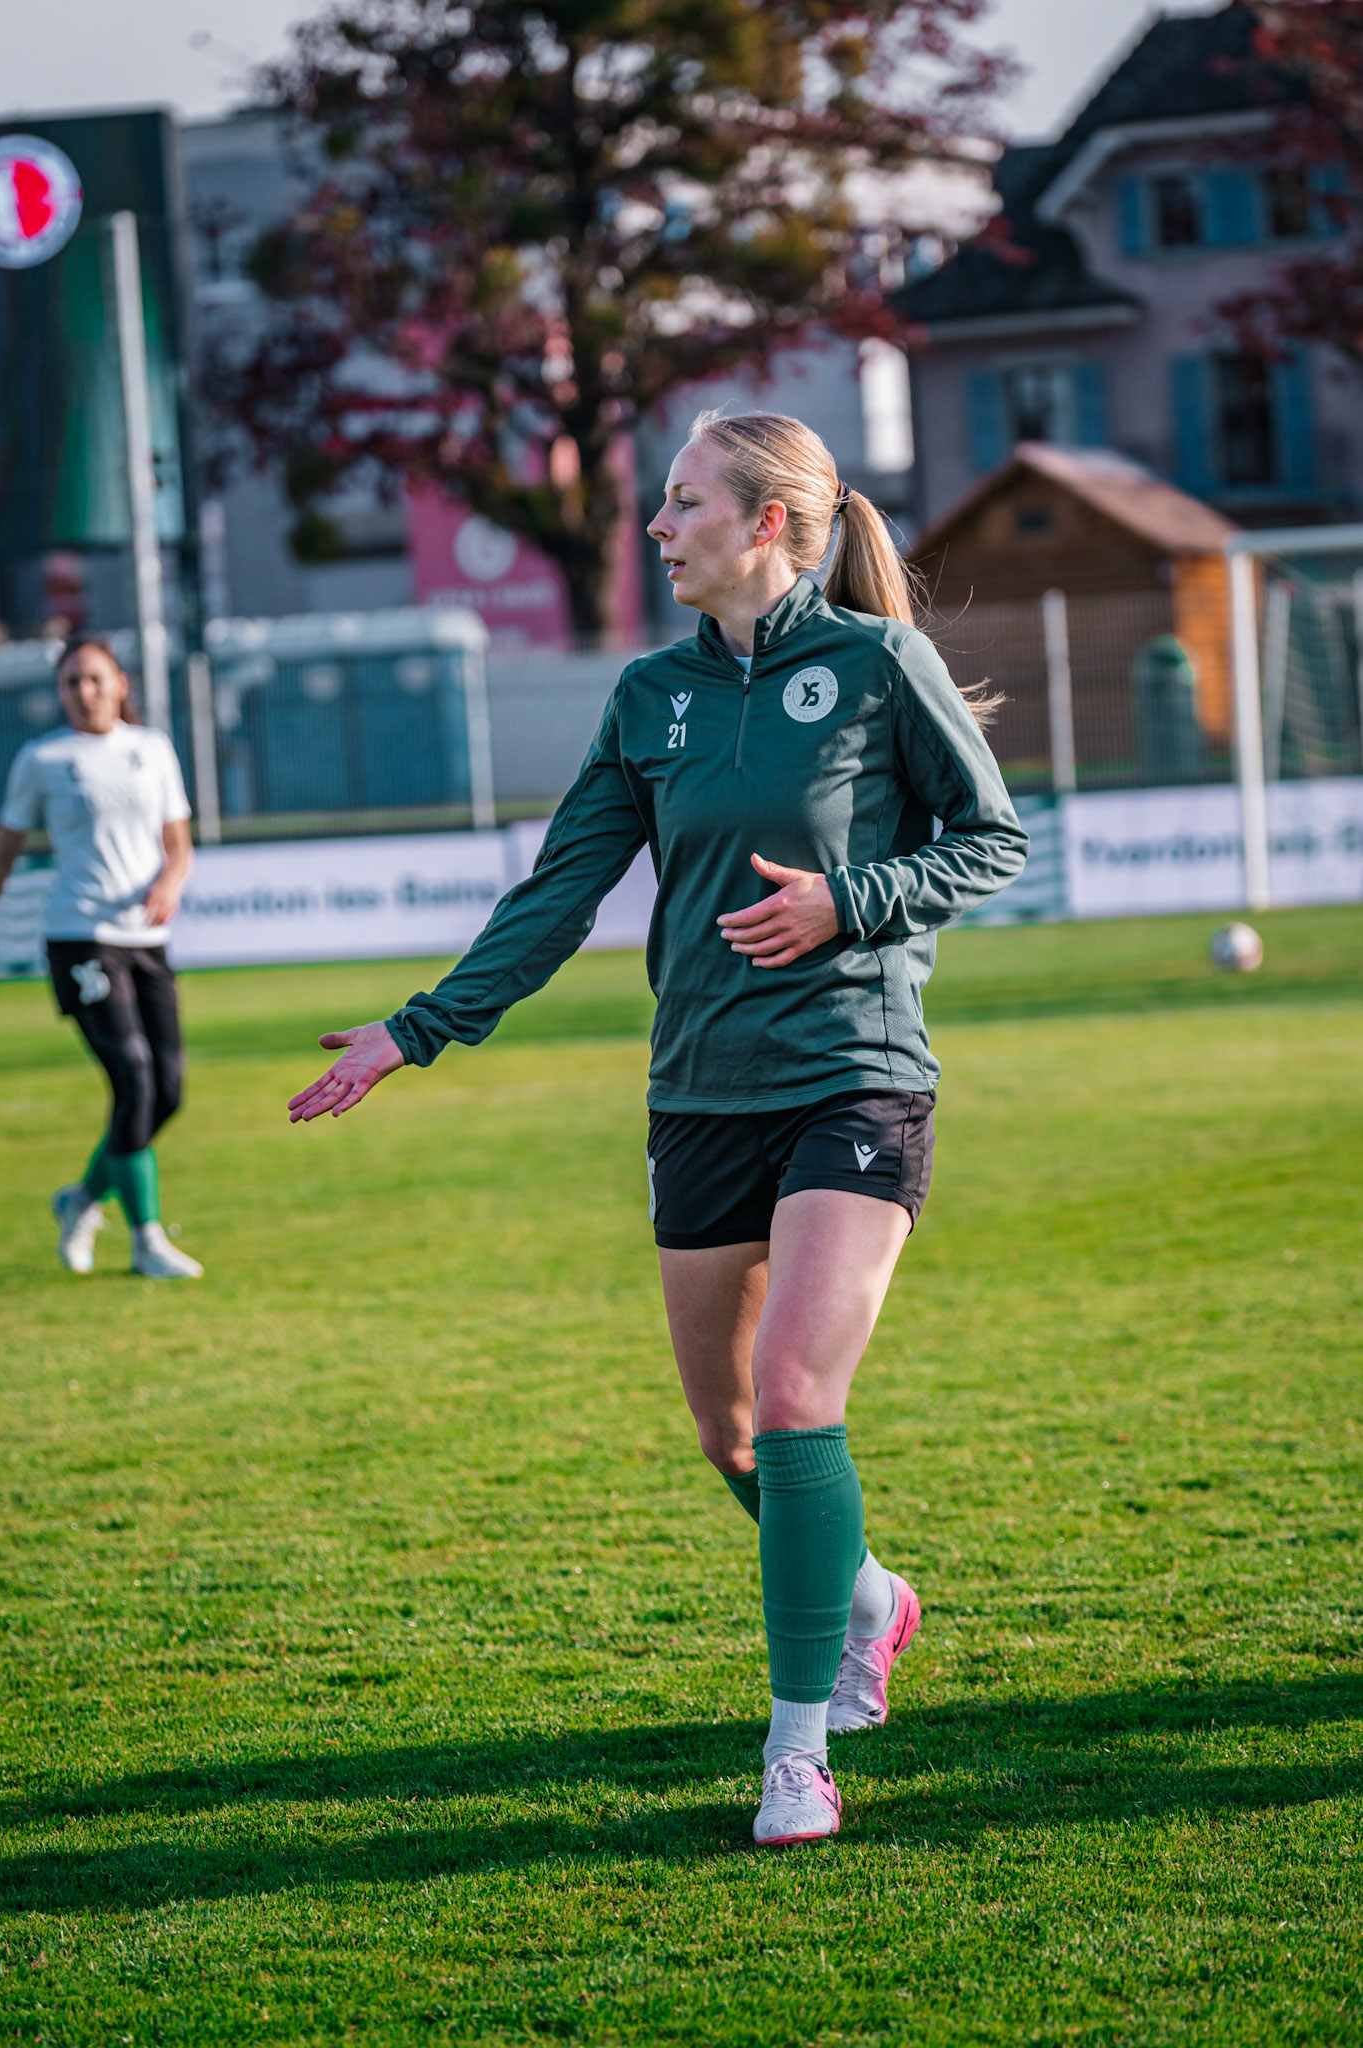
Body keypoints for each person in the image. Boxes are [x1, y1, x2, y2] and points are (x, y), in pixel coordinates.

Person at [287, 412, 1028, 1846]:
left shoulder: (876, 665)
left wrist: (847, 901)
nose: (656, 526)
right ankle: (871, 1596)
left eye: (682, 502)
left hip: (854, 1073)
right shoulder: (647, 696)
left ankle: (797, 1749)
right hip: (697, 1094)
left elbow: (989, 836)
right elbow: (557, 895)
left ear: (765, 523)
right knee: (732, 1433)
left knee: (799, 1392)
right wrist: (415, 1031)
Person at [0, 635, 204, 1280]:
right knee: (133, 1076)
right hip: (79, 936)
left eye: (93, 679)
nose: (82, 693)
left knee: (168, 1090)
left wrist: (169, 884)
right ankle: (146, 1240)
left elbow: (178, 844)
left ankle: (82, 1197)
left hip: (146, 940)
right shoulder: (43, 759)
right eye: (70, 683)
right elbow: (6, 847)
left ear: (120, 682)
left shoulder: (153, 750)